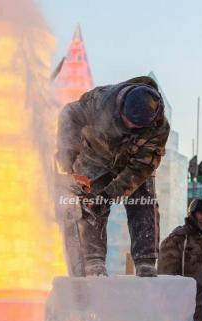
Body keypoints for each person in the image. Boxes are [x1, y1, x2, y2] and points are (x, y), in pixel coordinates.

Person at [56, 76, 170, 277]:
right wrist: (68, 153)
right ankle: (93, 260)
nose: (129, 126)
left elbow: (140, 169)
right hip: (95, 156)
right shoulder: (99, 102)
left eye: (135, 125)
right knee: (90, 201)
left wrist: (110, 195)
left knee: (144, 199)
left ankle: (146, 260)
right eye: (126, 121)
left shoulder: (158, 129)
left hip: (132, 162)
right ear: (122, 106)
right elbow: (69, 114)